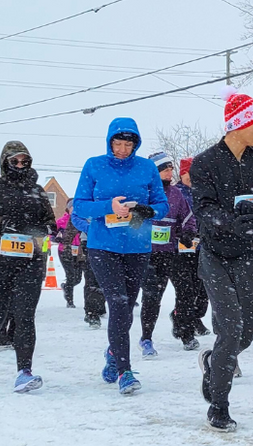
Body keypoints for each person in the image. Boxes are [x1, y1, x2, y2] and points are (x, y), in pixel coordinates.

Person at [192, 87, 253, 432]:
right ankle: (219, 405)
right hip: (215, 256)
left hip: (250, 255)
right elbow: (203, 208)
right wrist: (232, 220)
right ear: (239, 123)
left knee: (245, 336)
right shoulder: (205, 163)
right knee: (229, 329)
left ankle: (214, 363)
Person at [73, 118, 169, 395]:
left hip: (137, 247)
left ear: (136, 144)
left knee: (127, 308)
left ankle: (113, 353)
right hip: (103, 246)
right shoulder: (94, 165)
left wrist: (146, 210)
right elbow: (80, 205)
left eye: (129, 144)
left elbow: (161, 204)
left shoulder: (147, 167)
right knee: (117, 304)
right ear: (109, 141)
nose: (123, 149)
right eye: (118, 143)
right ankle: (125, 371)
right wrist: (108, 206)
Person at [0, 141, 57, 393]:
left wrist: (43, 229)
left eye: (24, 161)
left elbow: (51, 224)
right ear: (5, 162)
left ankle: (24, 372)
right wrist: (0, 223)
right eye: (14, 161)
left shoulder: (38, 191)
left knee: (25, 315)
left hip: (30, 260)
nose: (19, 165)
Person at [138, 152, 200, 356]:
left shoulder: (176, 194)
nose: (169, 172)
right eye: (165, 168)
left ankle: (186, 333)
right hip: (149, 254)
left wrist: (187, 232)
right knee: (152, 297)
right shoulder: (143, 192)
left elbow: (187, 218)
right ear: (154, 171)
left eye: (171, 168)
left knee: (186, 291)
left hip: (172, 252)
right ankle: (146, 337)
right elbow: (133, 221)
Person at [174, 156, 211, 338]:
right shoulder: (176, 192)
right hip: (181, 247)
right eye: (188, 173)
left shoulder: (203, 192)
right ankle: (183, 321)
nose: (192, 177)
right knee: (185, 288)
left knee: (202, 287)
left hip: (202, 245)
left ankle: (195, 316)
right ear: (182, 174)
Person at [54, 199, 81, 309]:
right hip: (64, 250)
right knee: (70, 276)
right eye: (72, 208)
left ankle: (66, 287)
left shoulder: (81, 221)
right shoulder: (61, 221)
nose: (74, 210)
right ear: (68, 209)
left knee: (78, 278)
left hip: (79, 252)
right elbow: (52, 233)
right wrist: (56, 238)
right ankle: (70, 301)